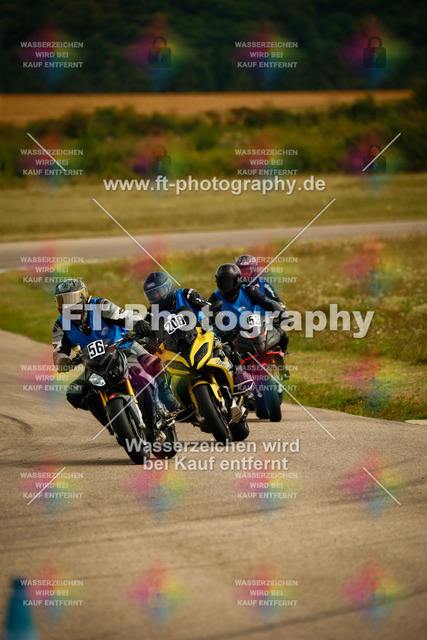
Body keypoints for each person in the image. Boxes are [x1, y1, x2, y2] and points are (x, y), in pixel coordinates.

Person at [52, 278, 178, 427]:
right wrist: (62, 361)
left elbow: (123, 315)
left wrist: (138, 323)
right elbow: (59, 349)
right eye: (62, 301)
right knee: (74, 394)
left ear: (83, 296)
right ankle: (110, 420)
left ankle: (166, 395)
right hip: (94, 364)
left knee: (152, 363)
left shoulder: (100, 306)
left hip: (123, 347)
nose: (67, 305)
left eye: (71, 299)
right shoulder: (60, 325)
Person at [208, 263, 289, 354]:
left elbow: (268, 303)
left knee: (282, 335)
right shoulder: (214, 299)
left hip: (255, 332)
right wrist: (219, 332)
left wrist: (282, 314)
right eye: (222, 282)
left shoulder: (249, 291)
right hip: (231, 340)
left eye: (228, 282)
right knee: (225, 352)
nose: (226, 287)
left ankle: (280, 360)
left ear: (237, 281)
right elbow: (206, 320)